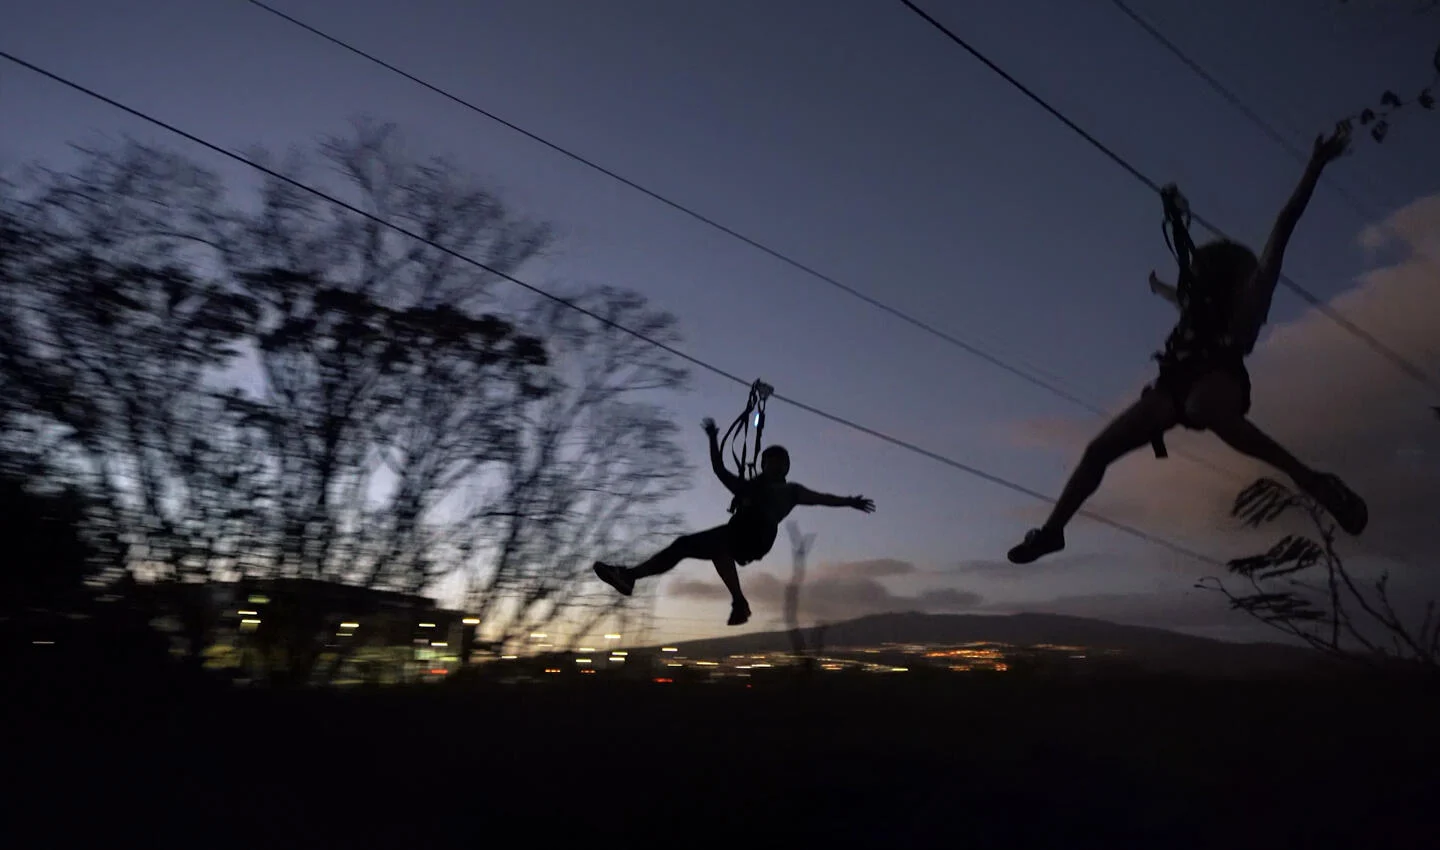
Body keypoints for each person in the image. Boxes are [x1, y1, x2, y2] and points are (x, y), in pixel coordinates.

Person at [1008, 121, 1368, 565]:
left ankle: (1311, 480)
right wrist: (1159, 286)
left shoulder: (1251, 293)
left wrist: (1314, 166)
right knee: (1098, 451)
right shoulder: (1199, 306)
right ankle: (1052, 532)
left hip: (1220, 378)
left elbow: (1284, 224)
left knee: (1204, 408)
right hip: (1174, 383)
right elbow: (1180, 299)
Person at [593, 417, 875, 625]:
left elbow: (822, 498)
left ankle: (739, 602)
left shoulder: (791, 491)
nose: (774, 466)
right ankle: (630, 577)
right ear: (764, 464)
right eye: (770, 461)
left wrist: (850, 501)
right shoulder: (749, 488)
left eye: (779, 462)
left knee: (720, 545)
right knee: (685, 546)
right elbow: (719, 470)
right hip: (738, 532)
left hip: (758, 534)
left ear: (786, 467)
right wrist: (714, 438)